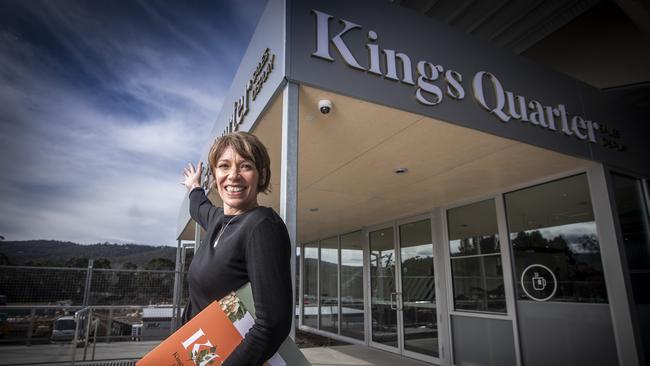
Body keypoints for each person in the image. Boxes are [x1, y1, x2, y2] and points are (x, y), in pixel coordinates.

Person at [181, 131, 292, 366]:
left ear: (261, 176)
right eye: (224, 166)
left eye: (245, 166)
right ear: (215, 177)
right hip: (199, 353)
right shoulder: (218, 220)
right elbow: (198, 206)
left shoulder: (261, 226)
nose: (233, 175)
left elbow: (272, 325)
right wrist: (193, 186)